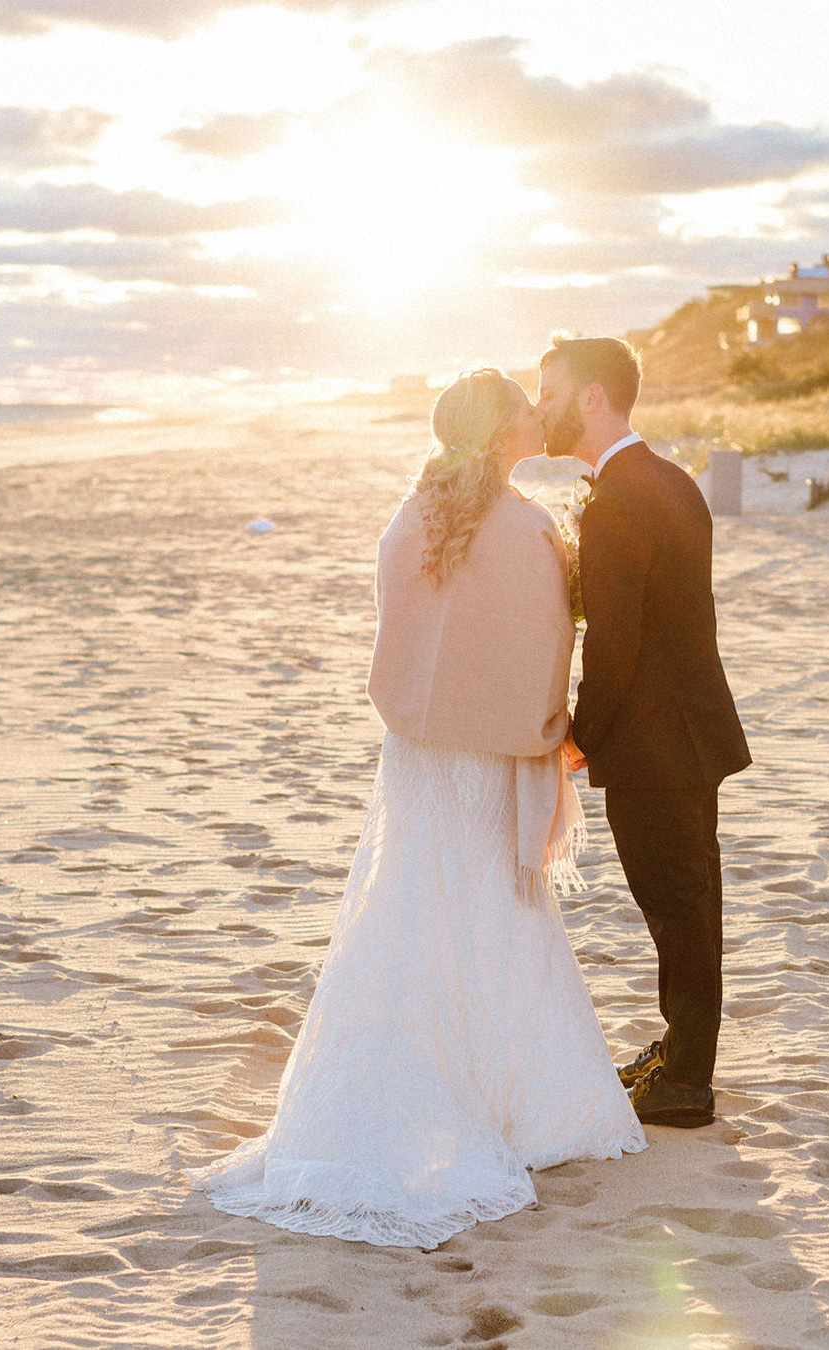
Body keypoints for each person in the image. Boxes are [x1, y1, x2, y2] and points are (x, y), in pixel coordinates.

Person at [185, 368, 644, 1248]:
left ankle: (390, 1098)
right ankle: (507, 1109)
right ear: (507, 431)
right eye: (522, 409)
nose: (532, 417)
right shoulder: (528, 529)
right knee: (495, 912)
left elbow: (404, 632)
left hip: (417, 757)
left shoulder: (412, 518)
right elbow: (543, 647)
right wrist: (552, 734)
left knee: (406, 909)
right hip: (486, 757)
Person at [538, 336, 751, 1129]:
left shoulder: (618, 501)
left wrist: (580, 733)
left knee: (676, 904)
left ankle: (688, 1082)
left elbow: (616, 642)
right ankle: (681, 1053)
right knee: (692, 901)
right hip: (693, 730)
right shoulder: (670, 480)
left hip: (656, 742)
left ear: (594, 397)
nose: (543, 406)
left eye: (551, 390)